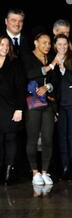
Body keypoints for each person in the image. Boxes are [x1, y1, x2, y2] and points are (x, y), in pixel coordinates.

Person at [22, 33, 58, 185]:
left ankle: (44, 172)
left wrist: (48, 86)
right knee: (32, 138)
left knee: (48, 139)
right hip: (33, 104)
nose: (47, 46)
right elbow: (29, 74)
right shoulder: (27, 57)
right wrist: (49, 67)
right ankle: (35, 172)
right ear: (36, 43)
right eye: (44, 43)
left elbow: (54, 80)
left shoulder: (50, 58)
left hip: (48, 104)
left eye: (49, 43)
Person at [52, 34, 72, 181]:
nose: (62, 47)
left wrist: (63, 67)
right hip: (60, 105)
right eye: (59, 44)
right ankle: (65, 168)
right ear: (55, 46)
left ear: (68, 45)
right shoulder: (52, 61)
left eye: (65, 44)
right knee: (62, 137)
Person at [0, 35, 25, 185]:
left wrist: (19, 109)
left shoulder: (15, 63)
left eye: (6, 45)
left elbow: (21, 89)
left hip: (10, 107)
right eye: (1, 44)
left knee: (10, 139)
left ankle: (9, 172)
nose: (4, 47)